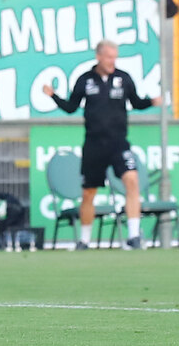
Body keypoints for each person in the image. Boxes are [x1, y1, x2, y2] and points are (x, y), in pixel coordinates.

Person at [43, 40, 161, 251]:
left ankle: (133, 237)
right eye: (108, 57)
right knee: (89, 193)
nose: (112, 61)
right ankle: (84, 240)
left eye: (115, 57)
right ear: (98, 57)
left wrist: (151, 102)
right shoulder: (85, 80)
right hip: (94, 145)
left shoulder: (123, 78)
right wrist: (53, 96)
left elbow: (135, 102)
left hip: (118, 143)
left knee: (131, 180)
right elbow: (71, 107)